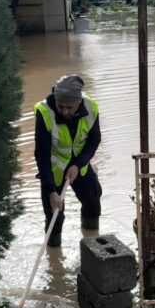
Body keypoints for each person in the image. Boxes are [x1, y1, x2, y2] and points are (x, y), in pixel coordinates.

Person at [34, 74, 102, 247]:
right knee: (54, 214)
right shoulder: (45, 113)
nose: (64, 112)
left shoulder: (90, 107)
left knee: (93, 201)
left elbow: (94, 140)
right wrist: (51, 191)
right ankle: (54, 251)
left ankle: (91, 242)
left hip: (80, 164)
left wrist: (78, 165)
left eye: (69, 107)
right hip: (53, 169)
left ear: (79, 101)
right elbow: (41, 154)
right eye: (60, 106)